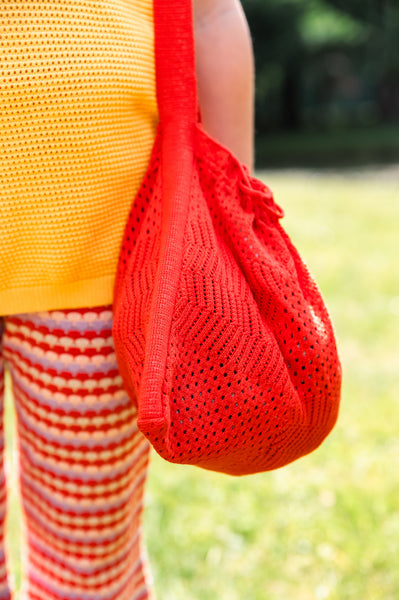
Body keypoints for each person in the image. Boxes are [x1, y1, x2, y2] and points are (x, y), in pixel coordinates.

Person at [0, 0, 254, 598]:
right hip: (94, 260)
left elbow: (211, 13)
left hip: (100, 262)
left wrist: (230, 209)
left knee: (90, 570)